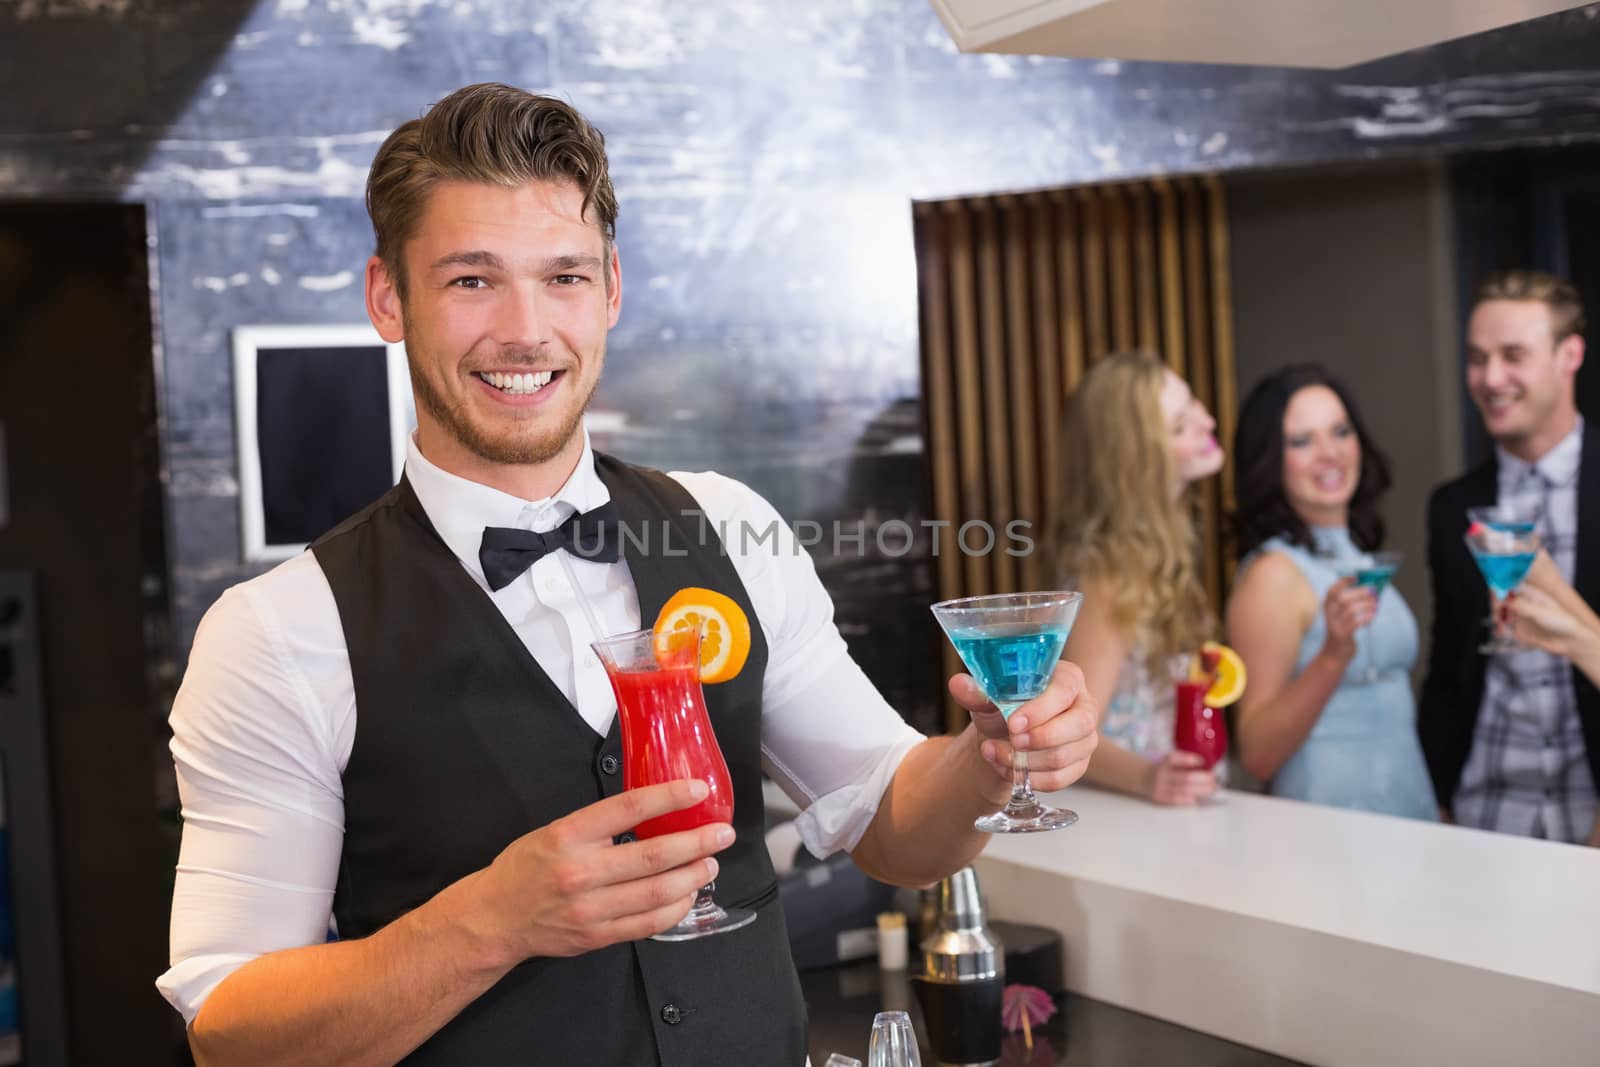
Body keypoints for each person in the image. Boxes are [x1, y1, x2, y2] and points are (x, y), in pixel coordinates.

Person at [156, 83, 1101, 1065]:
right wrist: (491, 919)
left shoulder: (729, 523)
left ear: (611, 289)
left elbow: (887, 818)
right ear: (388, 297)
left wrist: (985, 761)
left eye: (561, 276)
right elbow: (232, 1026)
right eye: (472, 280)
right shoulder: (279, 629)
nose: (525, 329)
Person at [1421, 269, 1600, 845]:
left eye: (1512, 355)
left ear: (1569, 353)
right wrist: (1439, 795)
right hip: (1487, 815)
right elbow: (1449, 668)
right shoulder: (1453, 507)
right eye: (1477, 358)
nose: (1490, 378)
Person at [1225, 365, 1435, 820]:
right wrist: (1333, 655)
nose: (1330, 453)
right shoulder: (1273, 573)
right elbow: (1258, 751)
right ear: (1270, 459)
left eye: (1340, 432)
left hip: (1408, 812)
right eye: (1301, 441)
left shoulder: (1356, 555)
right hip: (1327, 826)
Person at [1055, 352, 1224, 806]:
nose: (1208, 422)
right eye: (1181, 425)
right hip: (1126, 818)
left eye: (1194, 406)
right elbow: (1071, 729)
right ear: (1137, 461)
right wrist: (1149, 779)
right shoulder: (1109, 572)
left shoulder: (1161, 548)